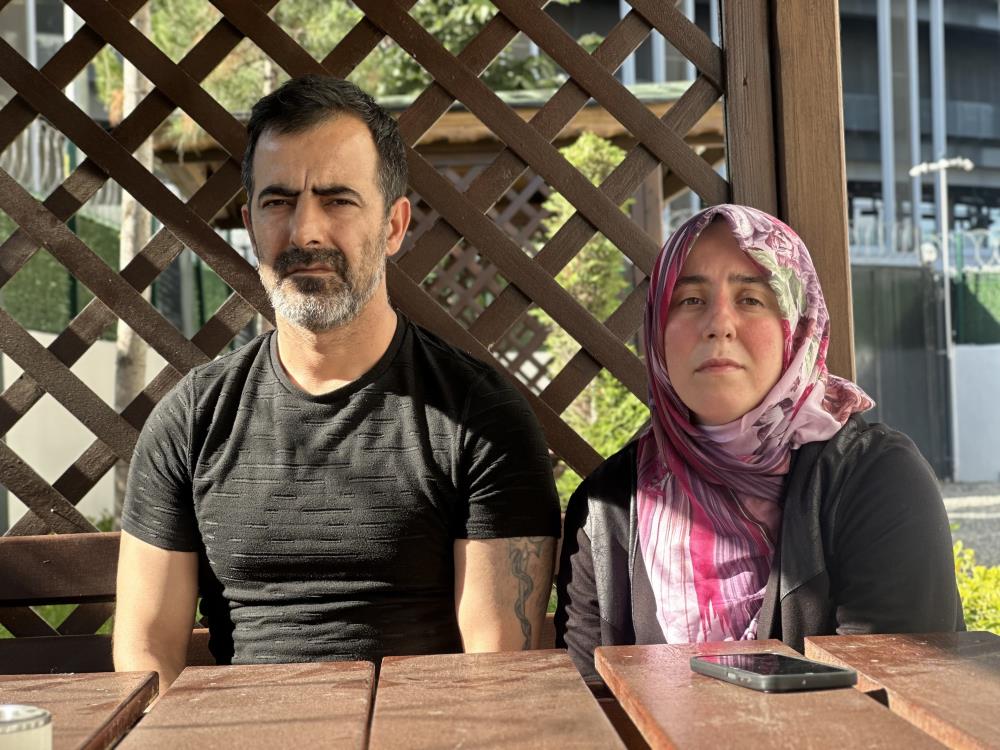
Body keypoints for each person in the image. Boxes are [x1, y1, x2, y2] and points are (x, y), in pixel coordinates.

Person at [114, 74, 561, 689]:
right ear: (250, 225)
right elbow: (147, 652)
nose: (305, 232)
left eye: (337, 200)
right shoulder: (191, 421)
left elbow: (497, 673)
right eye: (278, 202)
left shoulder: (480, 420)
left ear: (394, 226)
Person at [555, 203, 963, 680]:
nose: (719, 323)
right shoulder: (607, 507)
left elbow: (891, 693)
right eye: (690, 300)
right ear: (657, 330)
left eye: (750, 299)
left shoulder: (876, 480)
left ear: (798, 325)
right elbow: (588, 702)